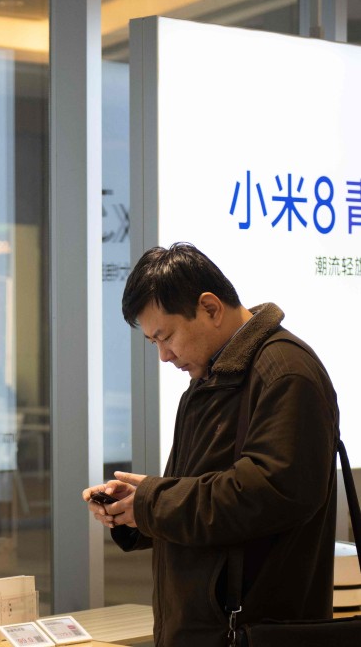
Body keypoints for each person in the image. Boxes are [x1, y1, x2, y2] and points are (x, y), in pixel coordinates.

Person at [83, 242, 339, 647]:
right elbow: (204, 500)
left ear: (211, 308)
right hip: (205, 631)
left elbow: (268, 494)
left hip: (252, 632)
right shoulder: (208, 381)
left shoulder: (286, 373)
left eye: (166, 337)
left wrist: (153, 501)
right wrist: (136, 509)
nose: (165, 356)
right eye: (153, 343)